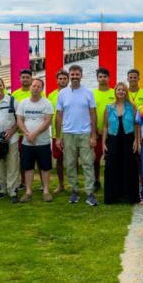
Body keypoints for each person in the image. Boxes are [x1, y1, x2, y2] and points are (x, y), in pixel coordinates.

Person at [55, 65, 99, 206]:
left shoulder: (88, 92)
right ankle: (74, 190)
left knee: (87, 163)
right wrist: (58, 136)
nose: (74, 76)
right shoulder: (62, 94)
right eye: (72, 74)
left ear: (81, 75)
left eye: (77, 74)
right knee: (70, 163)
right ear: (69, 76)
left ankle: (90, 193)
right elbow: (59, 116)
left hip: (85, 133)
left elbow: (93, 114)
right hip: (68, 134)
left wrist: (93, 135)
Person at [16, 78, 54, 202]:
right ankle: (28, 191)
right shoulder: (23, 103)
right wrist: (27, 134)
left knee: (45, 167)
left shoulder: (47, 103)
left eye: (38, 86)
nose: (35, 88)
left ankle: (46, 190)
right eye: (34, 86)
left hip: (42, 141)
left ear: (42, 89)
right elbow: (20, 120)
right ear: (30, 87)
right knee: (28, 167)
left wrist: (35, 133)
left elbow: (48, 121)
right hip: (27, 142)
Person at [102, 82, 139, 204]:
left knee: (129, 166)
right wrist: (103, 143)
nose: (121, 92)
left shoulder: (132, 107)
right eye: (119, 90)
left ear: (126, 92)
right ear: (115, 91)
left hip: (128, 139)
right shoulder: (109, 108)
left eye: (123, 90)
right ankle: (113, 196)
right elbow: (105, 126)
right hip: (113, 139)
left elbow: (136, 125)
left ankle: (129, 196)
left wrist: (137, 141)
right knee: (112, 167)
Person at [0, 78, 20, 202]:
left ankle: (13, 191)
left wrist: (11, 132)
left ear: (4, 86)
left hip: (11, 139)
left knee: (13, 165)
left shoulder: (13, 101)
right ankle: (2, 189)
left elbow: (19, 120)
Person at [92, 67, 115, 191]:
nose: (102, 79)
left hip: (112, 132)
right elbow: (89, 113)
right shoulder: (92, 94)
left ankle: (111, 181)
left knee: (111, 158)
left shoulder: (114, 93)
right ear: (97, 79)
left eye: (105, 76)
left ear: (109, 78)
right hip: (96, 133)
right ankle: (96, 180)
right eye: (100, 77)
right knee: (95, 158)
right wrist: (95, 130)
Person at [47, 70, 70, 193]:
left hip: (71, 132)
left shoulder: (72, 94)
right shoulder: (51, 95)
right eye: (60, 78)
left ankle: (73, 184)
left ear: (68, 80)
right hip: (57, 133)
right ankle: (61, 185)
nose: (62, 81)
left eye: (64, 78)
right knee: (59, 159)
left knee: (72, 159)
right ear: (57, 80)